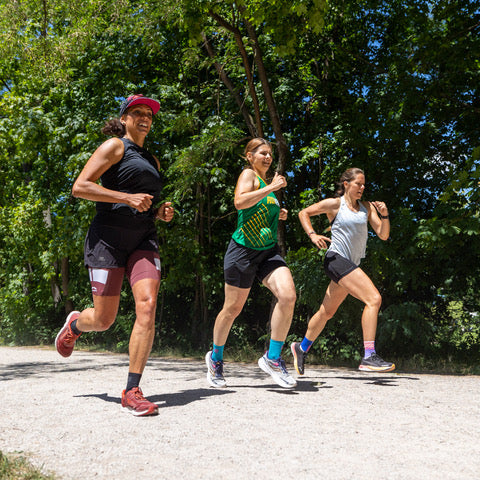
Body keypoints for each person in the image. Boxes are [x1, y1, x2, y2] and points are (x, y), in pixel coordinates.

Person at [55, 94, 174, 416]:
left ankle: (132, 390)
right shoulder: (114, 147)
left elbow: (148, 201)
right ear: (124, 118)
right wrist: (126, 197)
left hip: (143, 239)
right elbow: (80, 187)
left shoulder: (153, 160)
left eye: (148, 114)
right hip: (107, 240)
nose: (144, 117)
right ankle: (77, 325)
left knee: (147, 306)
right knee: (104, 320)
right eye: (137, 112)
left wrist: (160, 211)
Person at [205, 138, 297, 389]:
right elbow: (240, 202)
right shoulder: (249, 175)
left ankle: (273, 358)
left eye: (270, 154)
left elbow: (256, 209)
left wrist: (278, 213)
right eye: (262, 153)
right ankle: (215, 358)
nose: (268, 157)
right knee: (232, 309)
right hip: (243, 252)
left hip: (267, 253)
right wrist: (272, 189)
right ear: (249, 156)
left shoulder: (267, 184)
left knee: (288, 296)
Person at [291, 167, 395, 375]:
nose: (362, 188)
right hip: (336, 259)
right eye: (358, 183)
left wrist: (384, 215)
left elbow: (383, 235)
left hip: (350, 265)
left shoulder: (367, 208)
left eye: (364, 184)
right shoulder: (334, 204)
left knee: (326, 312)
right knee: (373, 299)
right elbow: (304, 213)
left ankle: (300, 348)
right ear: (346, 184)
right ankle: (369, 355)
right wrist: (312, 234)